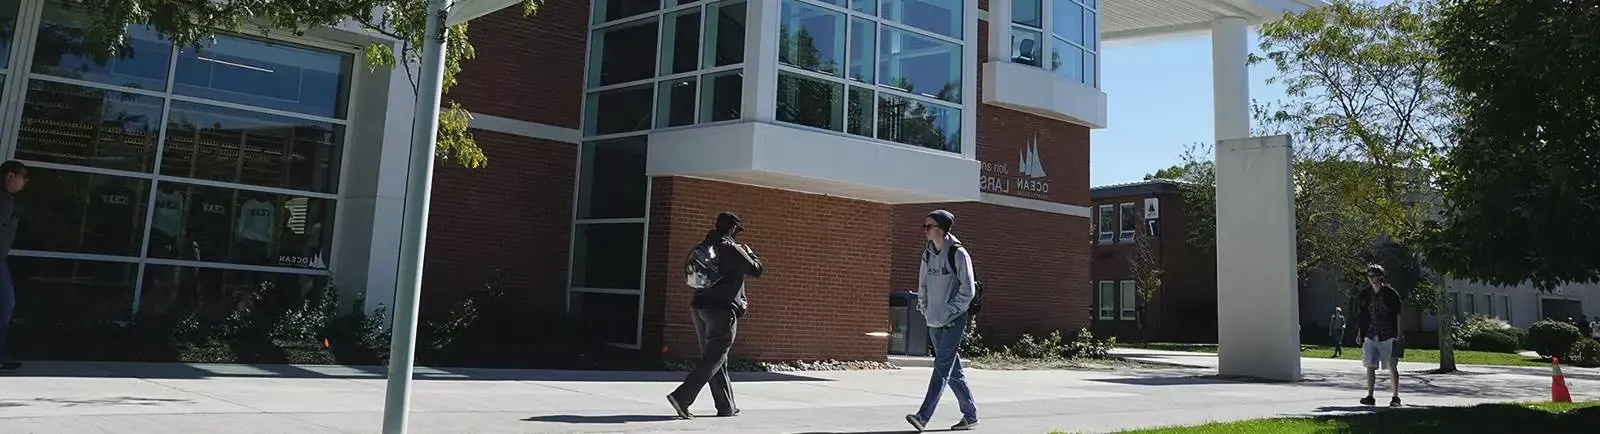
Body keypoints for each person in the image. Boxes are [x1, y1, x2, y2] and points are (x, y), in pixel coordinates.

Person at [667, 212, 762, 419]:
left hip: (699, 307)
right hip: (721, 310)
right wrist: (751, 253)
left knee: (716, 358)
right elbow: (757, 270)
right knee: (715, 357)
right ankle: (682, 397)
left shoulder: (705, 246)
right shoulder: (731, 248)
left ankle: (726, 406)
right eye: (737, 230)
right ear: (733, 229)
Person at [905, 210, 978, 432]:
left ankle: (923, 416)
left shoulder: (958, 254)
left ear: (941, 229)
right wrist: (926, 310)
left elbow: (968, 291)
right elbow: (923, 286)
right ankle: (970, 414)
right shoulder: (927, 254)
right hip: (934, 319)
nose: (924, 230)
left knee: (941, 368)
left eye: (928, 226)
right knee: (952, 369)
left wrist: (950, 311)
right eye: (924, 226)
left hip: (954, 319)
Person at [1353, 264, 1403, 407]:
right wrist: (1359, 333)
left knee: (1392, 366)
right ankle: (1370, 395)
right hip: (1370, 333)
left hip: (1388, 334)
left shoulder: (1390, 293)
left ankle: (1395, 397)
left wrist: (1399, 333)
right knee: (1369, 365)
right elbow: (1362, 315)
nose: (1371, 279)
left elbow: (1398, 313)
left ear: (1380, 277)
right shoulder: (1366, 294)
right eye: (1369, 276)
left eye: (1373, 276)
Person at [0, 161, 26, 373]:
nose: (25, 181)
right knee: (4, 306)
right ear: (10, 176)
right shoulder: (4, 199)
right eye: (23, 176)